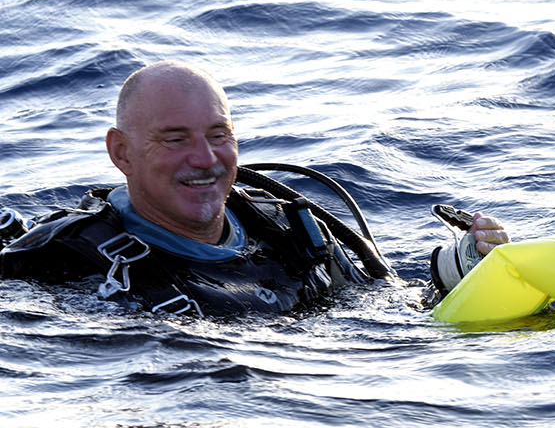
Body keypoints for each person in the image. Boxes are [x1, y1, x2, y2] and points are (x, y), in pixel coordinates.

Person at [0, 62, 508, 317]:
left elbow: (384, 315)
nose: (206, 159)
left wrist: (459, 275)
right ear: (121, 153)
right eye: (175, 140)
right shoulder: (60, 260)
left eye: (219, 135)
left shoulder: (289, 227)